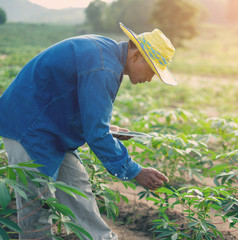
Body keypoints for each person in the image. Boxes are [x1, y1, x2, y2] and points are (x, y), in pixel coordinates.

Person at [0, 23, 177, 239]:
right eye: (151, 70)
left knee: (78, 190)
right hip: (28, 126)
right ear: (137, 55)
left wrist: (105, 128)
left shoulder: (107, 53)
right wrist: (135, 171)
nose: (149, 79)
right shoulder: (105, 67)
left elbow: (77, 104)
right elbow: (96, 134)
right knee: (36, 206)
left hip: (51, 127)